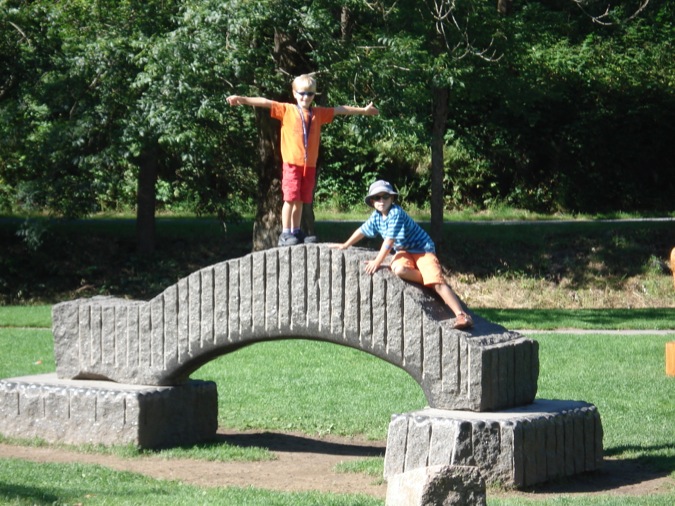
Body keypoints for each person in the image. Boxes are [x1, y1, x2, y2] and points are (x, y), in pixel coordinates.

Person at [227, 74, 379, 246]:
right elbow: (265, 102)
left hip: (309, 166)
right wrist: (242, 99)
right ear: (294, 93)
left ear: (314, 95)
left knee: (300, 200)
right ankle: (285, 233)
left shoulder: (317, 113)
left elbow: (340, 109)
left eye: (310, 94)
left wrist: (363, 111)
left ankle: (296, 230)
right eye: (302, 93)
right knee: (290, 199)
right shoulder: (287, 109)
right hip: (292, 165)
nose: (306, 97)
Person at [333, 180, 474, 330]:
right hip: (404, 251)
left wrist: (377, 262)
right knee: (399, 270)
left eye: (385, 196)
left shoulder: (396, 213)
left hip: (423, 249)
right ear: (372, 201)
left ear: (392, 198)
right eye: (377, 197)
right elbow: (362, 230)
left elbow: (389, 241)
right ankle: (428, 278)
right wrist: (345, 245)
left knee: (437, 284)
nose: (381, 201)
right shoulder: (376, 216)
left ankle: (461, 315)